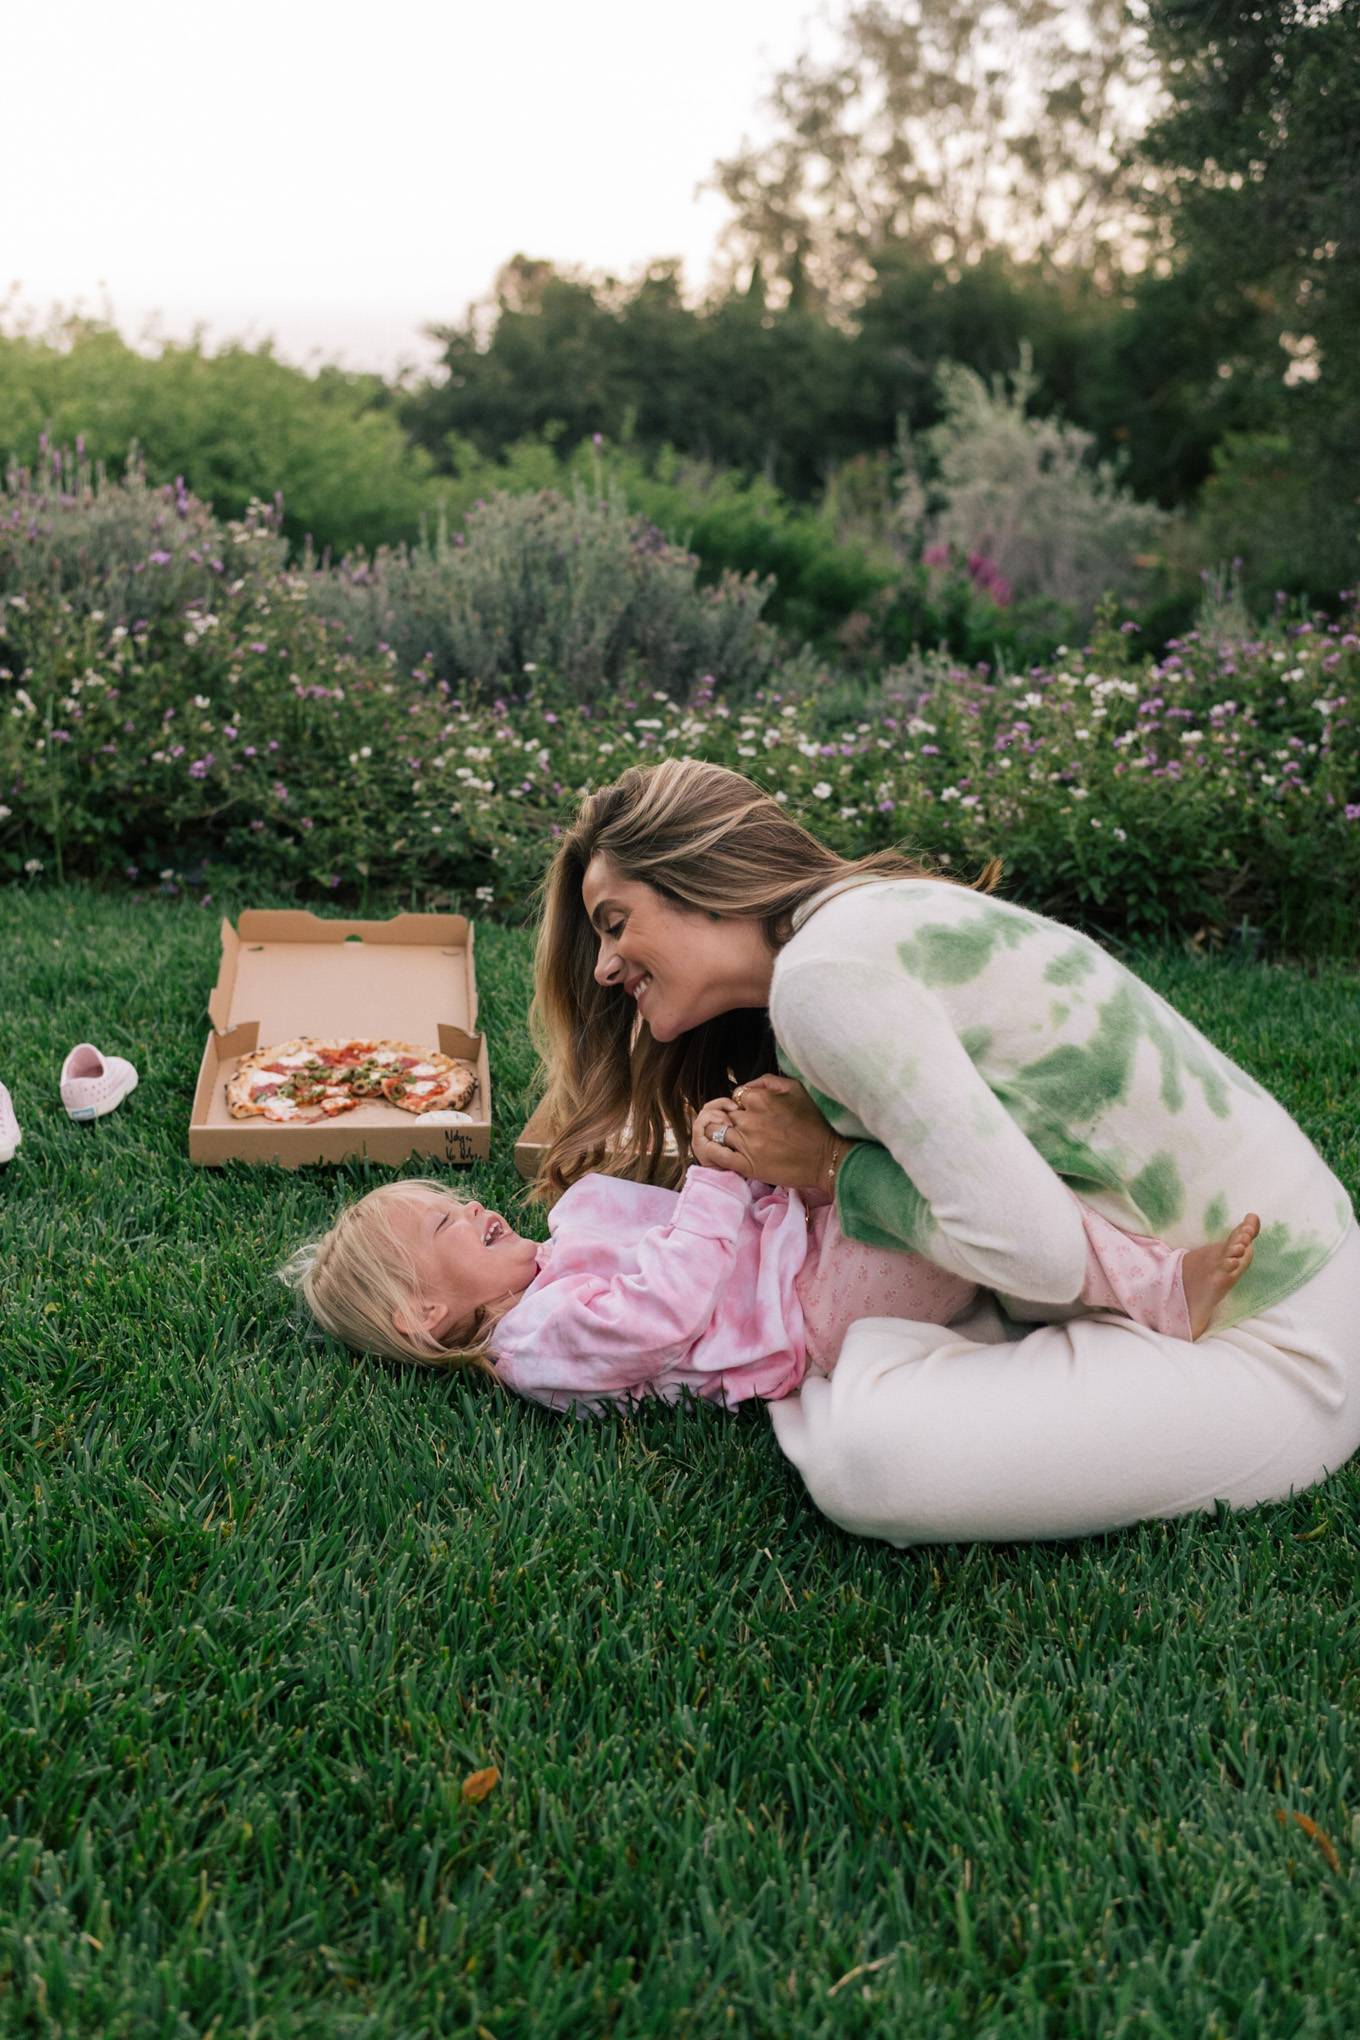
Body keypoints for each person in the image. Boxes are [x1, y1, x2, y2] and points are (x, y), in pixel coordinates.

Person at [530, 756, 1360, 1544]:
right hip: (1239, 1276)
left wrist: (827, 1168)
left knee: (870, 1462)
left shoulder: (822, 982)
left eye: (616, 924)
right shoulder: (856, 928)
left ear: (702, 883)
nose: (604, 966)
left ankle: (858, 1369)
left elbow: (1037, 1259)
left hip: (1277, 1346)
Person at [285, 1157, 1260, 1413]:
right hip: (811, 1307)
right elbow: (663, 1314)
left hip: (798, 1252)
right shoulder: (534, 1346)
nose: (469, 1208)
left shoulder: (552, 1266)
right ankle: (1157, 1293)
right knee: (944, 1190)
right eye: (442, 1223)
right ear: (428, 1315)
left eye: (453, 1200)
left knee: (949, 1179)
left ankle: (1116, 1257)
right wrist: (716, 1184)